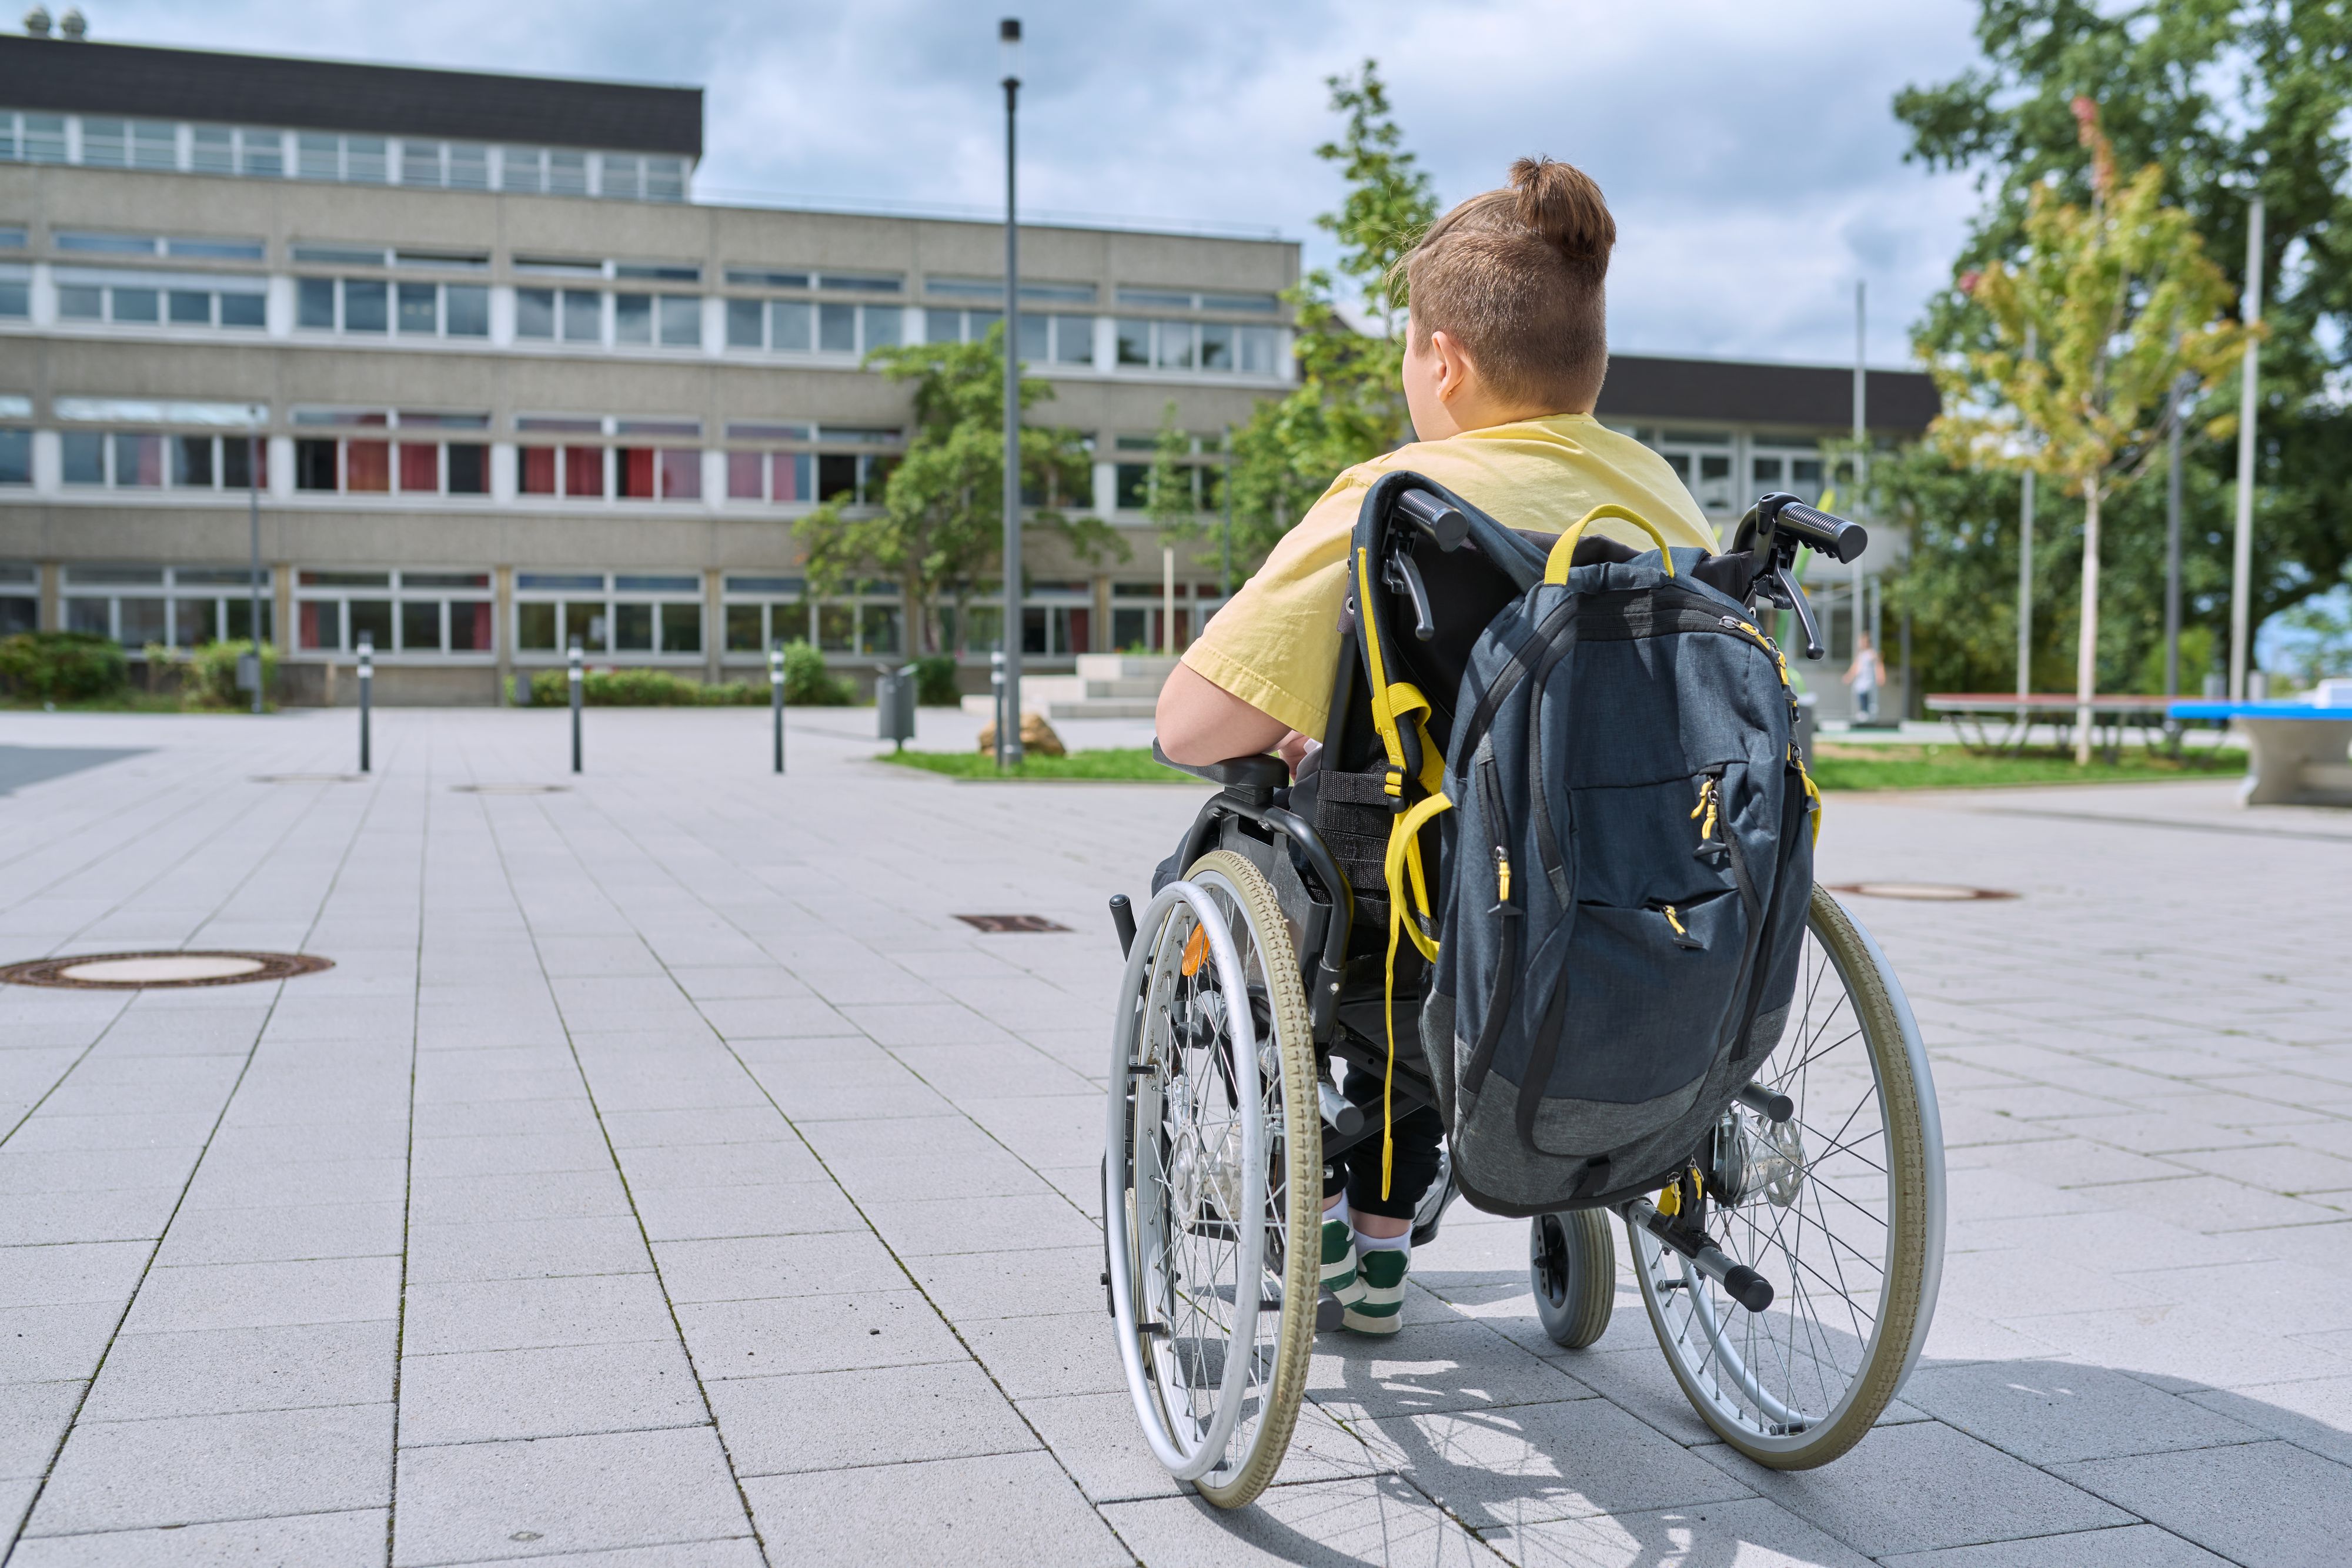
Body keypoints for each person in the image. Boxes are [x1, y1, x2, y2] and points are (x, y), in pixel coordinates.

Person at [1155, 155, 1716, 1334]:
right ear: (1592, 356)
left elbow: (1189, 725)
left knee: (1239, 858)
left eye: (1407, 351)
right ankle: (1387, 1223)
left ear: (1443, 360)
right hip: (1638, 902)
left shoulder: (1401, 497)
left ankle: (1313, 1190)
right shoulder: (1662, 500)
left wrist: (1299, 728)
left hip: (1423, 910)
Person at [1845, 630, 1886, 723]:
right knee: (1859, 692)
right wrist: (1849, 676)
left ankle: (1867, 710)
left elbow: (1879, 665)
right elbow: (1855, 667)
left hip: (1868, 680)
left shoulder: (1871, 654)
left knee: (1865, 694)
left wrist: (1881, 676)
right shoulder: (1861, 655)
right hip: (1861, 679)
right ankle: (1865, 710)